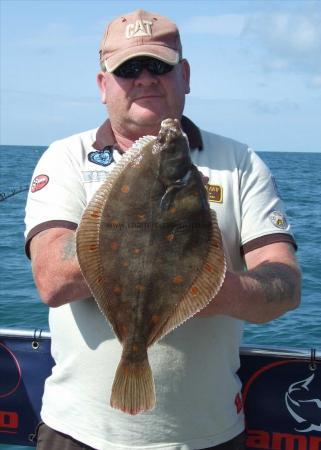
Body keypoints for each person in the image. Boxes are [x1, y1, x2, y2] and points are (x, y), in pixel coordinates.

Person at [24, 9, 301, 450]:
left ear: (184, 75)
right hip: (77, 433)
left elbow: (285, 284)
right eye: (129, 68)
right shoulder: (64, 158)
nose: (145, 78)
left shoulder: (241, 162)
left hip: (208, 435)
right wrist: (137, 231)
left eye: (159, 66)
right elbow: (52, 282)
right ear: (103, 85)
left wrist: (215, 290)